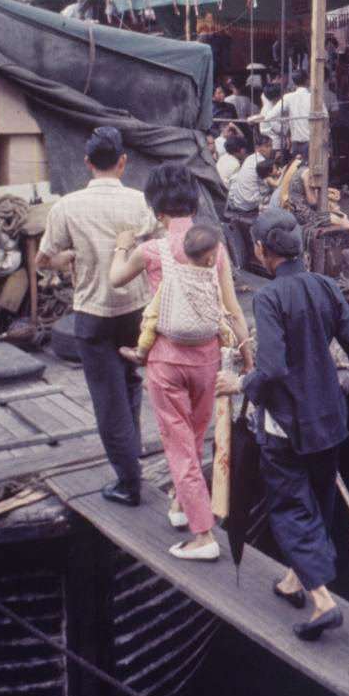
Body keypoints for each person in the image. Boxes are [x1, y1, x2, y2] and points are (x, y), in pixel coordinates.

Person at [215, 210, 349, 641]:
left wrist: (239, 382)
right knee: (319, 499)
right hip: (329, 418)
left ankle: (322, 600)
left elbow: (271, 368)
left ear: (261, 249)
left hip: (287, 426)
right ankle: (295, 579)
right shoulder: (326, 287)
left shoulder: (270, 298)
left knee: (291, 509)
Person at [109, 165, 252, 557]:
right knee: (194, 438)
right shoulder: (214, 248)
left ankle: (203, 534)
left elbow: (116, 279)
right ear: (193, 202)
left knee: (178, 445)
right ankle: (179, 503)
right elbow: (233, 306)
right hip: (208, 360)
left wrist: (123, 245)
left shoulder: (151, 250)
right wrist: (247, 354)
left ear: (157, 211)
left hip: (167, 361)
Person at [36, 127, 156, 507]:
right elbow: (153, 247)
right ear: (123, 162)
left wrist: (66, 258)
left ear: (87, 163)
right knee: (130, 381)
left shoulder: (67, 207)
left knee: (108, 399)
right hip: (135, 311)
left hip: (93, 313)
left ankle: (128, 481)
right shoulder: (142, 203)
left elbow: (44, 259)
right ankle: (132, 455)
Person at [118, 223, 235, 365]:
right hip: (206, 339)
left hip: (170, 337)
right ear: (211, 260)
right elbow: (219, 303)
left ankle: (141, 352)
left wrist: (147, 316)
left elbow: (155, 304)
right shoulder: (212, 279)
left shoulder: (172, 276)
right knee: (225, 328)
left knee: (151, 324)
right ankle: (228, 351)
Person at [285, 73, 311, 160]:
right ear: (307, 80)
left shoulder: (288, 97)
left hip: (295, 142)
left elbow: (272, 115)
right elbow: (325, 117)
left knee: (296, 169)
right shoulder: (313, 97)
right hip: (310, 141)